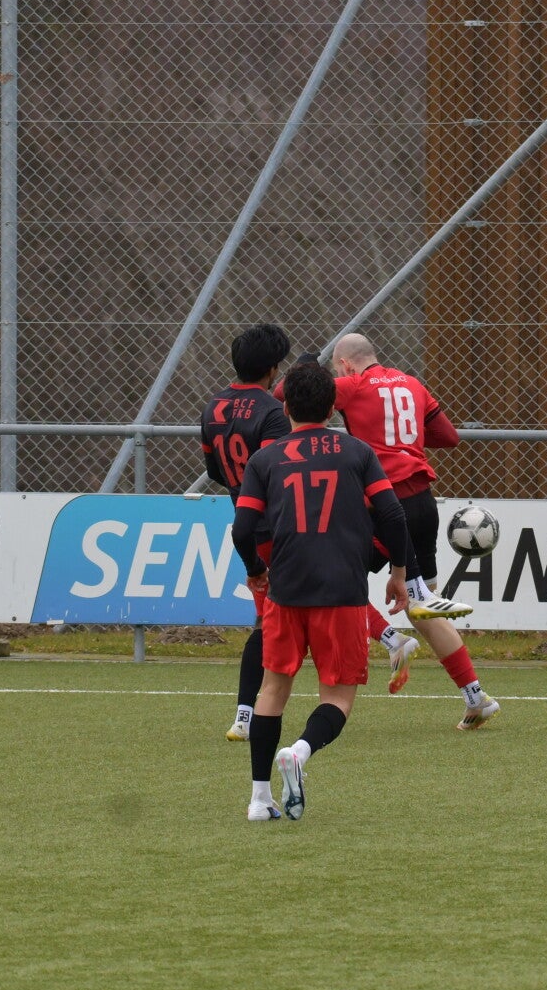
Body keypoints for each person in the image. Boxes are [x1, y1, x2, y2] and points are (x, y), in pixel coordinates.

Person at [232, 363, 413, 821]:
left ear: (285, 408)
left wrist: (256, 570)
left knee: (273, 689)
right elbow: (392, 515)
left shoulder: (265, 459)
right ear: (333, 408)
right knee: (337, 698)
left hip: (286, 590)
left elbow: (243, 528)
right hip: (343, 592)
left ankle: (259, 799)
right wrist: (398, 571)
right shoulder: (356, 451)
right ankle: (300, 751)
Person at [327, 332, 499, 730]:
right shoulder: (412, 383)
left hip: (386, 506)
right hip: (423, 503)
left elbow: (292, 396)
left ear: (346, 365)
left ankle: (393, 640)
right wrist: (406, 441)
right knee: (423, 608)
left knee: (335, 582)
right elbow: (449, 437)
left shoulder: (352, 386)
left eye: (337, 369)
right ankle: (476, 697)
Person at [200, 323, 302, 740]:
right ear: (274, 368)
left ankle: (243, 716)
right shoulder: (272, 412)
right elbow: (278, 474)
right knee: (312, 607)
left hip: (247, 525)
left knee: (265, 621)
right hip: (279, 529)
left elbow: (214, 470)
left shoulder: (213, 407)